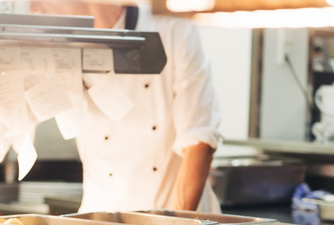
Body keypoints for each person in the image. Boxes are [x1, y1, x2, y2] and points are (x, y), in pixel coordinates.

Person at [31, 2, 222, 213]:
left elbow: (199, 141)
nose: (33, 7)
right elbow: (11, 118)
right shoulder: (60, 46)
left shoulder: (173, 29)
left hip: (172, 215)